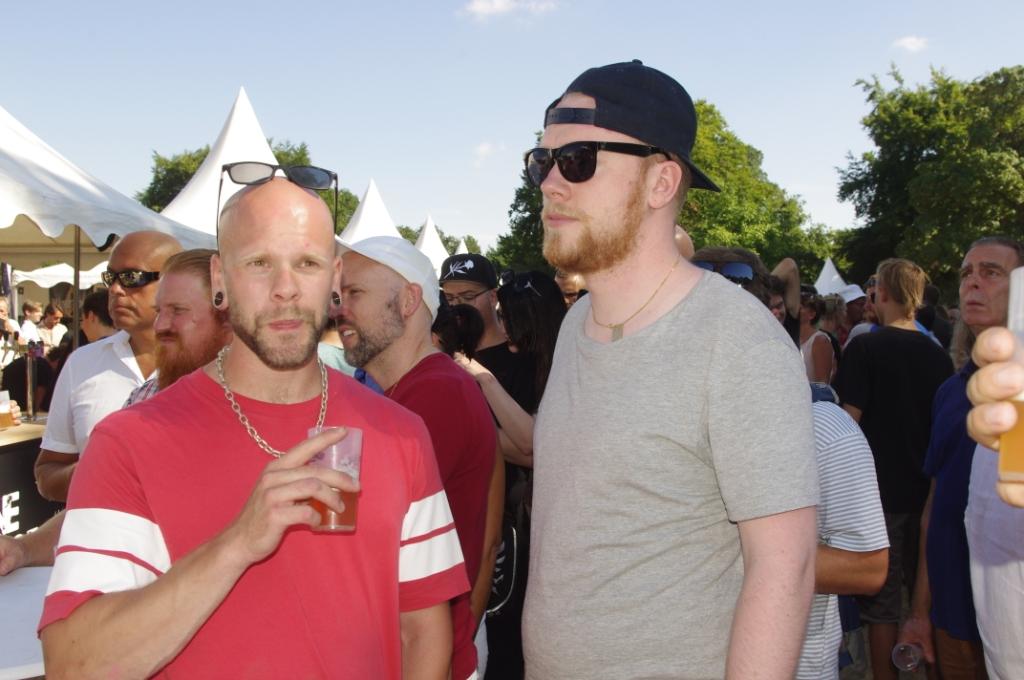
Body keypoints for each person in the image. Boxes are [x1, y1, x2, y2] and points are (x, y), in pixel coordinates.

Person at [40, 176, 466, 679]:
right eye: (259, 262)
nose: (286, 288)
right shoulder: (128, 442)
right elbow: (73, 665)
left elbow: (421, 631)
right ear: (220, 278)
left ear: (334, 278)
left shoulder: (402, 435)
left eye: (307, 263)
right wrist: (236, 544)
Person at [522, 60, 818, 679]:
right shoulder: (579, 325)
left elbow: (784, 569)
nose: (549, 183)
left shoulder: (736, 340)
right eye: (541, 161)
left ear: (661, 182)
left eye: (577, 160)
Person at [697, 245, 890, 679]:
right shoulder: (668, 420)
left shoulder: (825, 429)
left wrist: (725, 546)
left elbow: (868, 568)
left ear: (764, 317)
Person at [0, 248, 232, 576]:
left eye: (178, 311)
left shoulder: (274, 398)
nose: (161, 325)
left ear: (229, 318)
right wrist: (22, 549)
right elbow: (97, 511)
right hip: (150, 595)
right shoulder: (148, 397)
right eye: (160, 311)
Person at [338, 235, 500, 680]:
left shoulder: (435, 394)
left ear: (410, 300)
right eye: (337, 295)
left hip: (421, 656)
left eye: (354, 293)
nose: (338, 309)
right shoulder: (415, 391)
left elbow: (363, 542)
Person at [897, 237, 1020, 679]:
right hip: (954, 616)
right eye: (967, 273)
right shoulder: (951, 392)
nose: (973, 283)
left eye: (991, 272)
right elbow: (935, 509)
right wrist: (919, 612)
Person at [833, 257, 954, 680]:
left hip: (877, 495)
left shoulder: (865, 347)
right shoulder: (938, 356)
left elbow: (847, 423)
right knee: (925, 599)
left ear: (880, 292)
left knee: (881, 608)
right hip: (925, 495)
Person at [440, 252, 536, 680]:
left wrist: (466, 435)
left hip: (509, 531)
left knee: (502, 649)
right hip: (452, 523)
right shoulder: (437, 359)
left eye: (468, 296)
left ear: (493, 296)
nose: (457, 307)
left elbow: (530, 449)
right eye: (449, 298)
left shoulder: (523, 360)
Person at [33, 230, 183, 502]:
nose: (115, 289)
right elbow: (47, 474)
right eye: (110, 278)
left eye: (131, 278)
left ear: (175, 282)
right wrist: (95, 469)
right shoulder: (83, 362)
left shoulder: (212, 362)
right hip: (101, 526)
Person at [799, 292, 835, 383]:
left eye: (801, 307)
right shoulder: (791, 337)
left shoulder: (820, 340)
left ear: (811, 314)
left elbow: (822, 382)